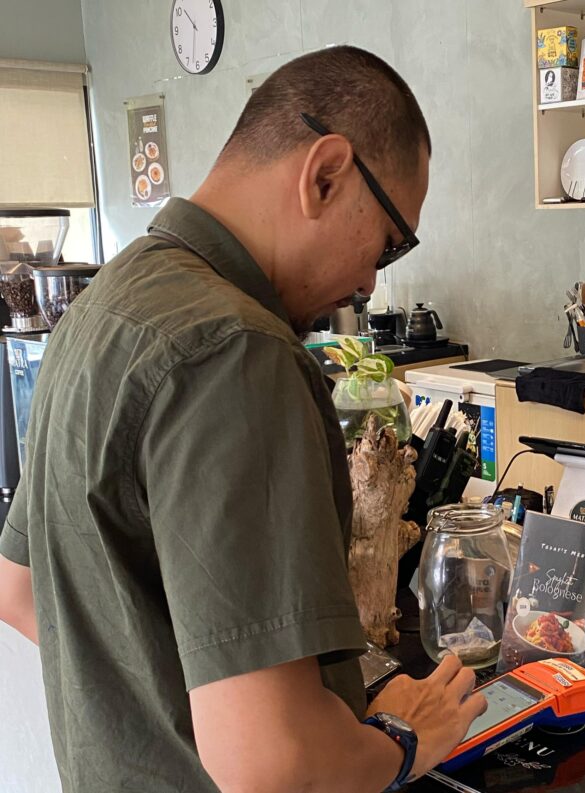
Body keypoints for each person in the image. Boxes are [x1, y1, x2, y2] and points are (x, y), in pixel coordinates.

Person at [0, 46, 485, 793]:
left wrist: (210, 696)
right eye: (390, 244)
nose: (368, 282)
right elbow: (274, 763)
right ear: (326, 175)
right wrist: (401, 741)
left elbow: (19, 589)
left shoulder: (105, 303)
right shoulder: (238, 351)